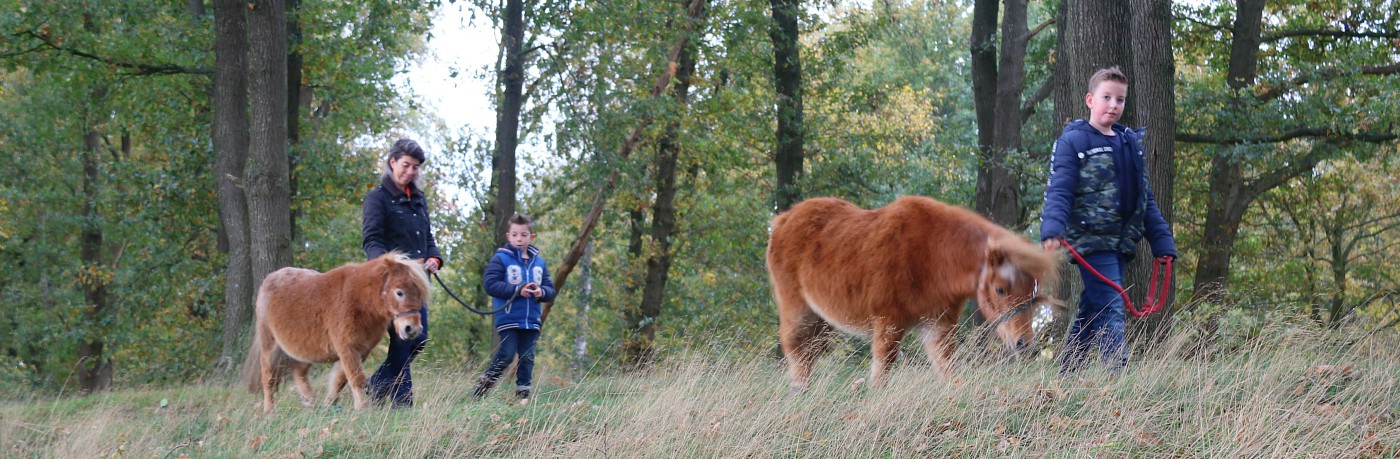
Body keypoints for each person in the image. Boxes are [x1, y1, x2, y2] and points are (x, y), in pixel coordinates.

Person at [1040, 67, 1177, 375]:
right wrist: (1052, 230)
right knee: (1111, 305)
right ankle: (1118, 377)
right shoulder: (1074, 142)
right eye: (1106, 98)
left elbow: (1146, 200)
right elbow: (1060, 190)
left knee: (1092, 308)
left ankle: (1068, 374)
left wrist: (1162, 242)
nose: (1114, 105)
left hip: (1120, 241)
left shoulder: (1129, 143)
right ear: (1090, 100)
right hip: (1091, 240)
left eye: (1120, 100)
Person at [361, 138, 443, 407]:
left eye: (415, 167)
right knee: (403, 340)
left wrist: (434, 258)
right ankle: (401, 406)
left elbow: (427, 237)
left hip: (417, 285)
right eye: (406, 165)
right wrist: (397, 265)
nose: (410, 172)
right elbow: (372, 241)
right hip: (391, 286)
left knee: (418, 340)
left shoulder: (418, 198)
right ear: (392, 162)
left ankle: (374, 387)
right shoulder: (377, 198)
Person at [474, 214, 556, 400]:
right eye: (515, 234)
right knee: (507, 354)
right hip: (509, 318)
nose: (519, 239)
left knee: (527, 358)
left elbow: (551, 289)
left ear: (531, 237)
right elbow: (490, 284)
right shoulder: (501, 259)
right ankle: (482, 389)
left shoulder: (539, 263)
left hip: (531, 320)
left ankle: (523, 396)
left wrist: (541, 292)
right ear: (508, 236)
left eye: (524, 235)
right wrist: (518, 290)